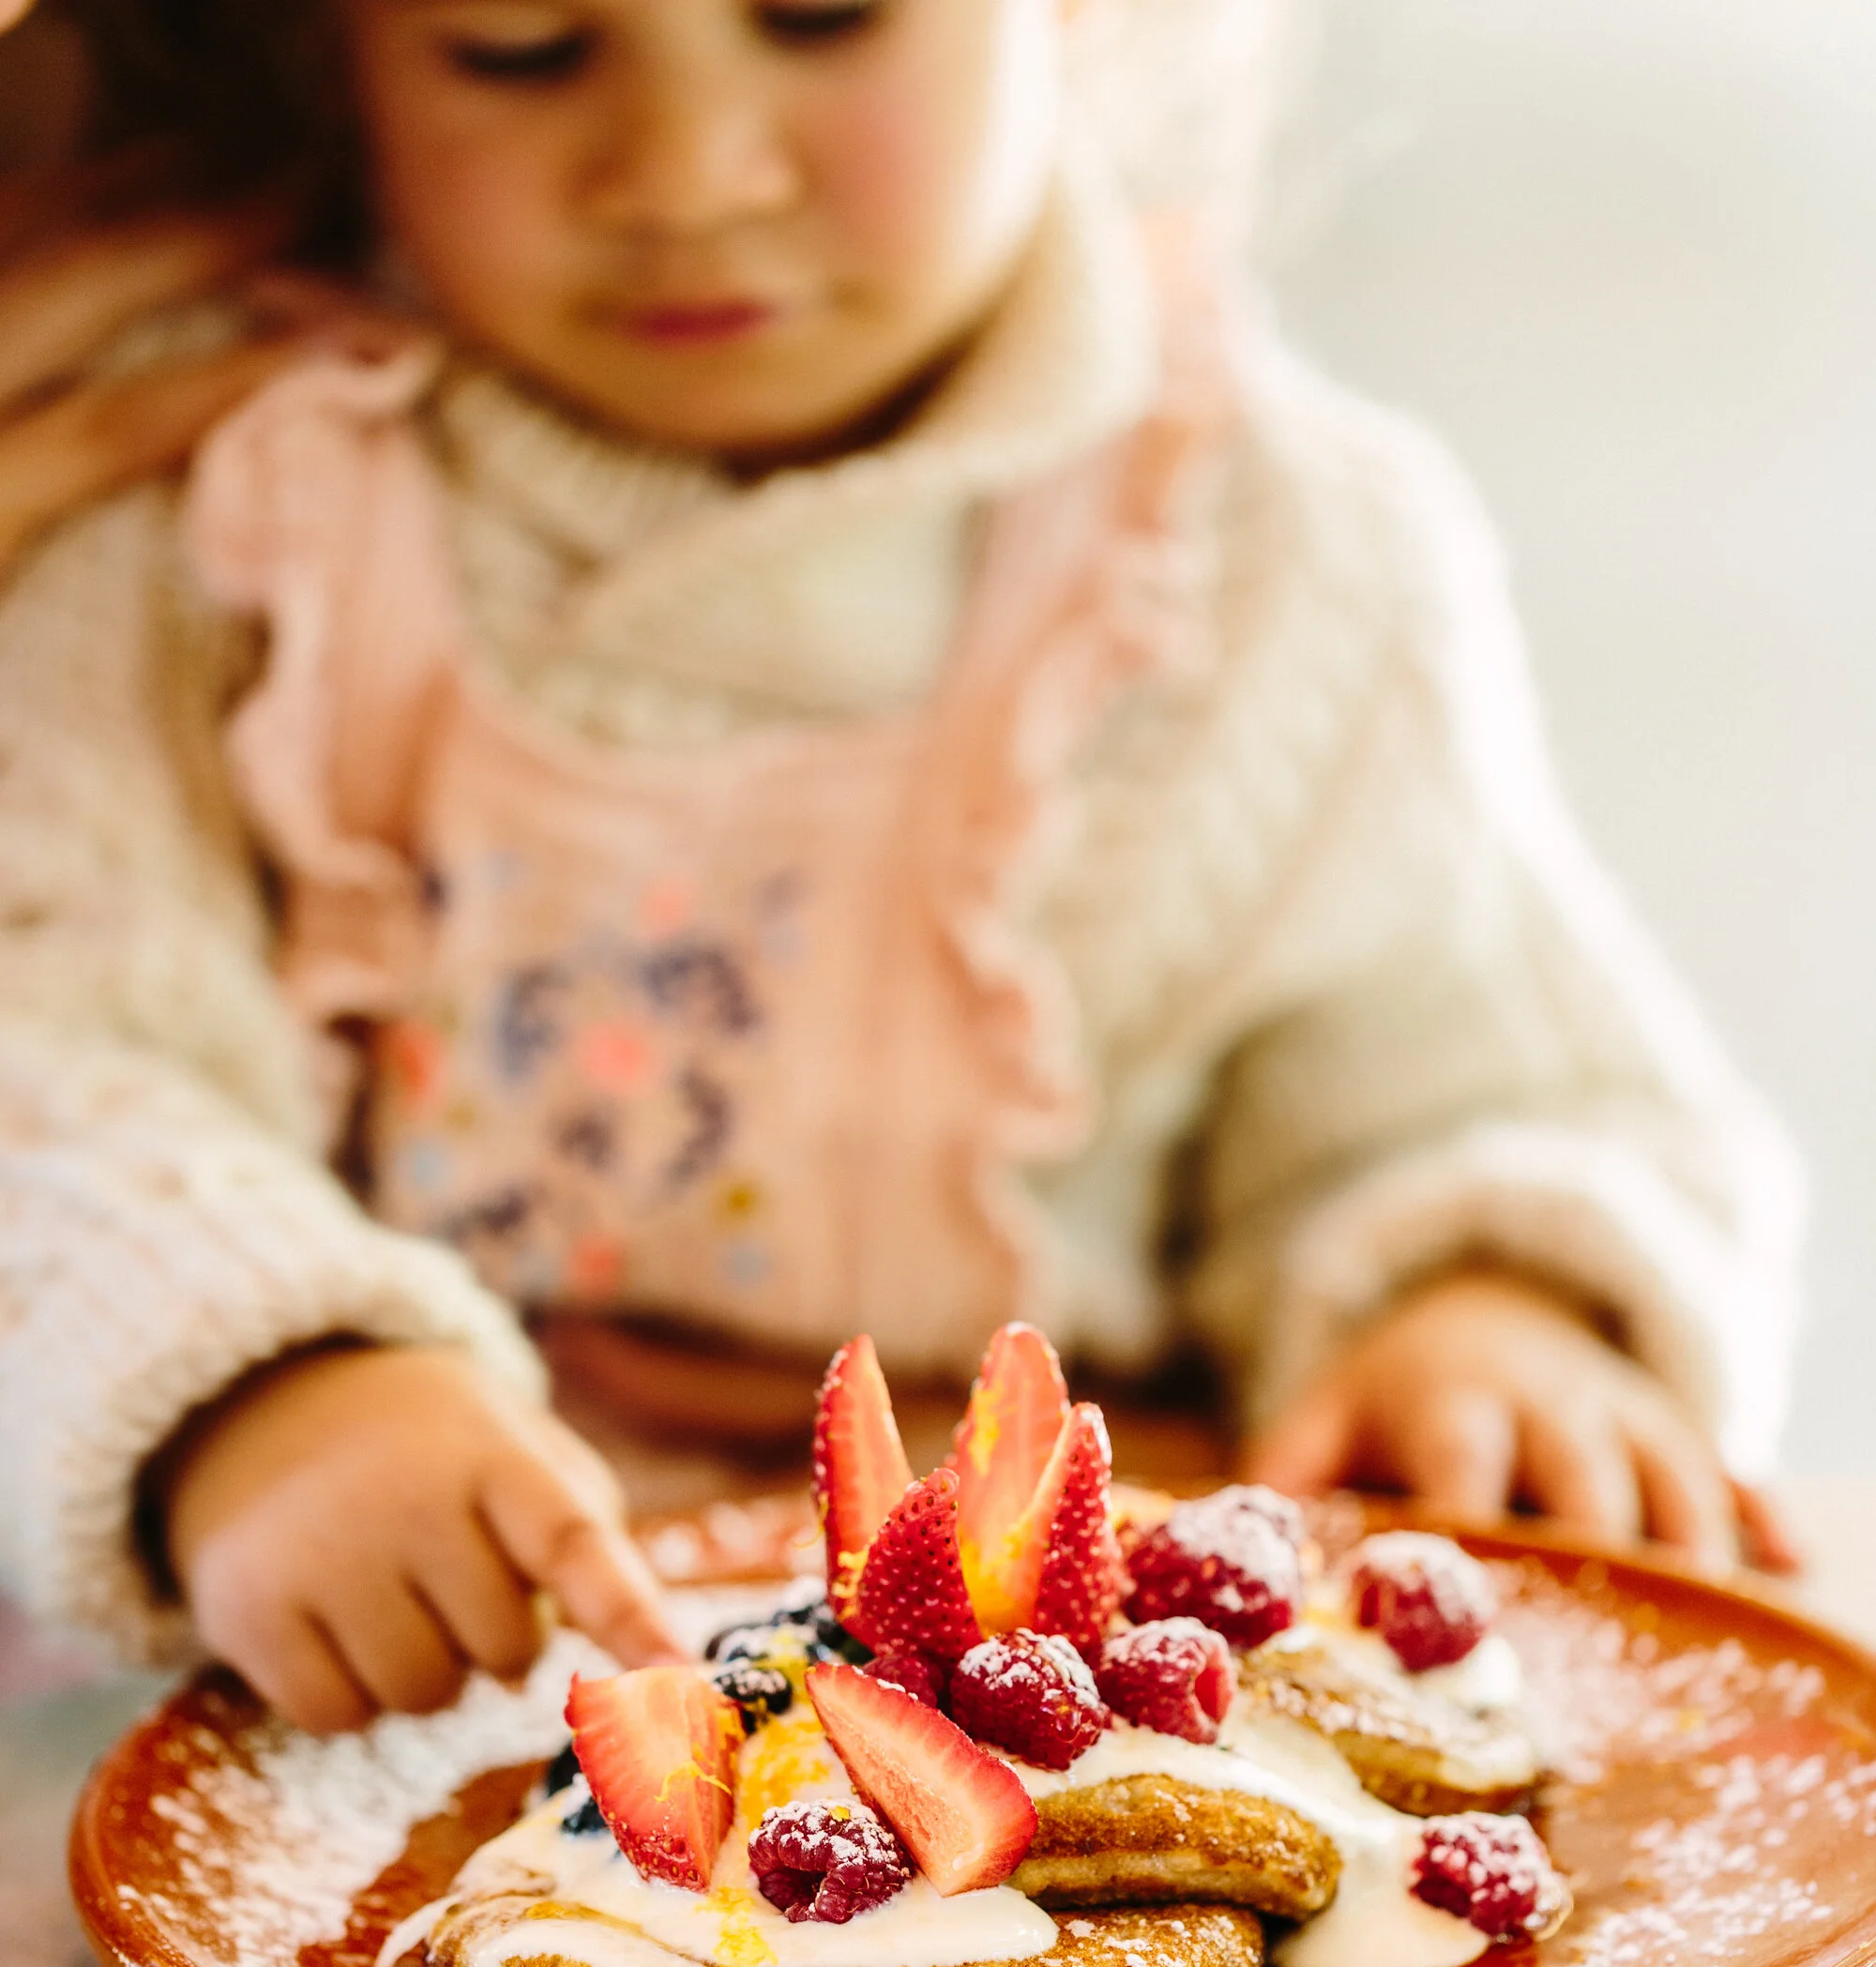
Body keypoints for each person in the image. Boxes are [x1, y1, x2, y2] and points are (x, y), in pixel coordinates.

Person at [0, 0, 1801, 1735]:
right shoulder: (219, 514)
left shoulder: (1284, 558)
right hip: (397, 1725)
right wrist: (261, 1393)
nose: (689, 171)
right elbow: (52, 1063)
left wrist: (1481, 1312)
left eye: (825, 14)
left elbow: (1471, 1089)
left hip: (1075, 1734)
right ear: (340, 53)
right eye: (522, 50)